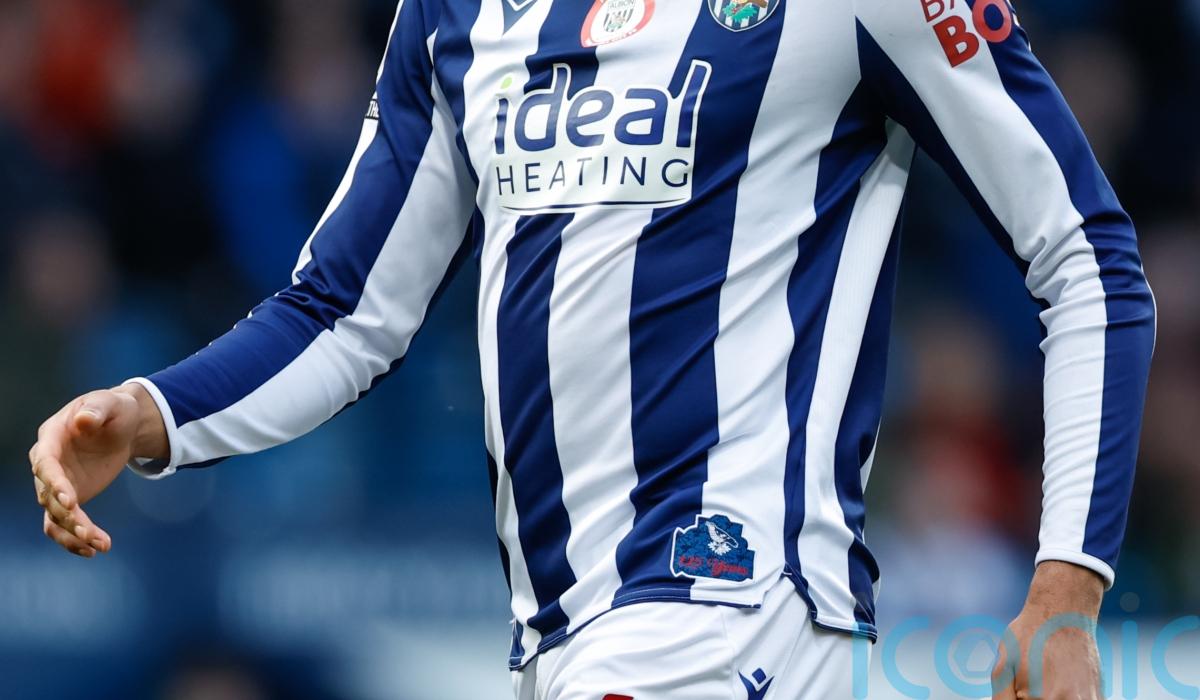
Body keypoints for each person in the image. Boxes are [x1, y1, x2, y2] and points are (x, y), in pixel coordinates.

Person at [27, 0, 1155, 697]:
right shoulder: (457, 13)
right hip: (556, 628)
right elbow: (344, 309)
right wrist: (153, 412)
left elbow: (1088, 258)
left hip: (731, 598)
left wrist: (1068, 585)